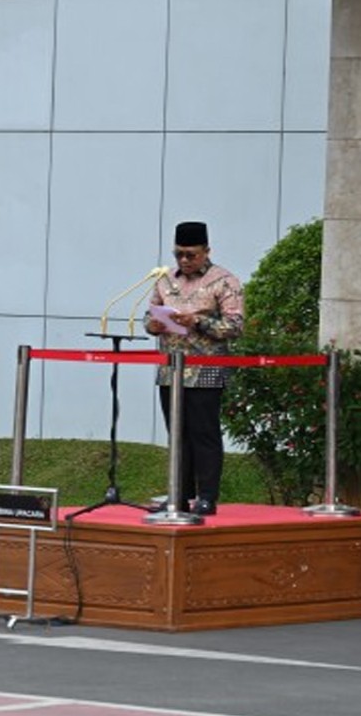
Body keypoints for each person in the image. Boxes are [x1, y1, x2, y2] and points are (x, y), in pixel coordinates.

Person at [145, 221, 244, 516]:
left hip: (206, 367)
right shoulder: (164, 280)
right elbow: (150, 315)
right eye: (179, 255)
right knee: (176, 435)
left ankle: (207, 496)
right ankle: (179, 494)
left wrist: (198, 322)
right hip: (170, 370)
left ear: (206, 251)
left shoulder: (224, 281)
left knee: (204, 434)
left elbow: (235, 326)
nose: (184, 261)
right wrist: (153, 324)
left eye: (191, 255)